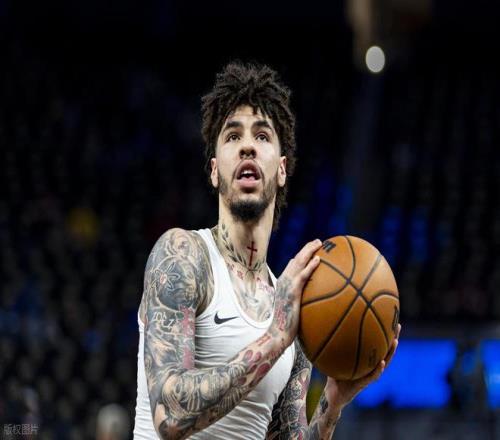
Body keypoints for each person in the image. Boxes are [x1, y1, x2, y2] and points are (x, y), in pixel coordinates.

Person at [133, 62, 400, 439]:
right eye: (232, 136)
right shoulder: (183, 254)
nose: (247, 145)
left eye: (262, 135)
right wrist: (275, 337)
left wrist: (332, 405)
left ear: (282, 169)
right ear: (214, 171)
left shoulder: (293, 301)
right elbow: (170, 414)